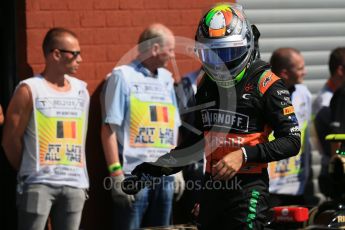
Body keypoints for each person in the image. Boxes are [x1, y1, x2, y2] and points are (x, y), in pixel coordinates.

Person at [130, 3, 301, 229]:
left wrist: (244, 155)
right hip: (211, 189)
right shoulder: (206, 84)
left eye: (228, 52)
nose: (220, 62)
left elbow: (292, 141)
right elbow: (195, 143)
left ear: (246, 45)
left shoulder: (266, 84)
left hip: (248, 190)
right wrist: (153, 169)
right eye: (212, 54)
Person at [2, 27, 89, 230]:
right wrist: (30, 168)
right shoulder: (29, 89)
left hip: (75, 183)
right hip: (38, 184)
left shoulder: (81, 90)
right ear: (56, 54)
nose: (80, 59)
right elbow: (9, 140)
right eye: (74, 53)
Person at [100, 23, 181, 229]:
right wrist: (116, 173)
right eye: (170, 49)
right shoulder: (122, 76)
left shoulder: (166, 79)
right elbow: (108, 128)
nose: (173, 56)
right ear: (155, 49)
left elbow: (173, 127)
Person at [268, 48, 312, 206]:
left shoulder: (304, 94)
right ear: (285, 73)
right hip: (272, 187)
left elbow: (306, 138)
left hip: (297, 185)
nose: (305, 72)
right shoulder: (265, 95)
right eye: (300, 68)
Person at [313, 47, 345, 197]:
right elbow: (334, 139)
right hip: (335, 168)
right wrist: (338, 172)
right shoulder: (326, 100)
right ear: (340, 70)